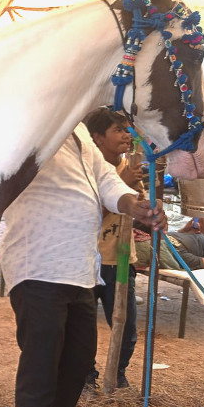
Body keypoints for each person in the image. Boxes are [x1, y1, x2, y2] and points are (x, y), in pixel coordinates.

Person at [0, 119, 167, 407]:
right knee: (41, 371)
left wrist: (132, 204)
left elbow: (106, 178)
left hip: (81, 272)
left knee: (76, 364)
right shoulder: (25, 124)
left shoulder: (76, 131)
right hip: (37, 268)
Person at [82, 107, 143, 391]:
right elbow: (87, 215)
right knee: (81, 330)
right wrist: (123, 187)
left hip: (120, 258)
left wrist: (149, 209)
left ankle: (117, 375)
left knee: (126, 327)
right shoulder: (85, 172)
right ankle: (85, 376)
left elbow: (143, 214)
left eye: (127, 129)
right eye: (118, 130)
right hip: (90, 260)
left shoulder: (132, 168)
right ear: (97, 138)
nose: (126, 136)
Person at [133, 216, 204, 271]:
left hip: (202, 232)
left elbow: (173, 239)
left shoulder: (162, 238)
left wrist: (183, 231)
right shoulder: (178, 254)